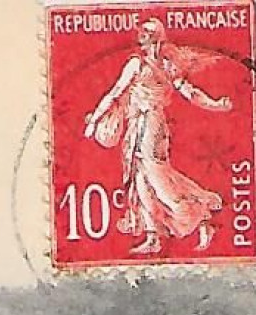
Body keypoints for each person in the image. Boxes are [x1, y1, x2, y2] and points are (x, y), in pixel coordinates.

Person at [82, 19, 234, 256]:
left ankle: (200, 215)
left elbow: (116, 93)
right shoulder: (159, 64)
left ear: (154, 37)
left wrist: (94, 121)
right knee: (140, 178)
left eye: (145, 33)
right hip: (142, 125)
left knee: (156, 177)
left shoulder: (145, 64)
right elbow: (117, 93)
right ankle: (153, 235)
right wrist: (214, 104)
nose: (140, 37)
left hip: (149, 125)